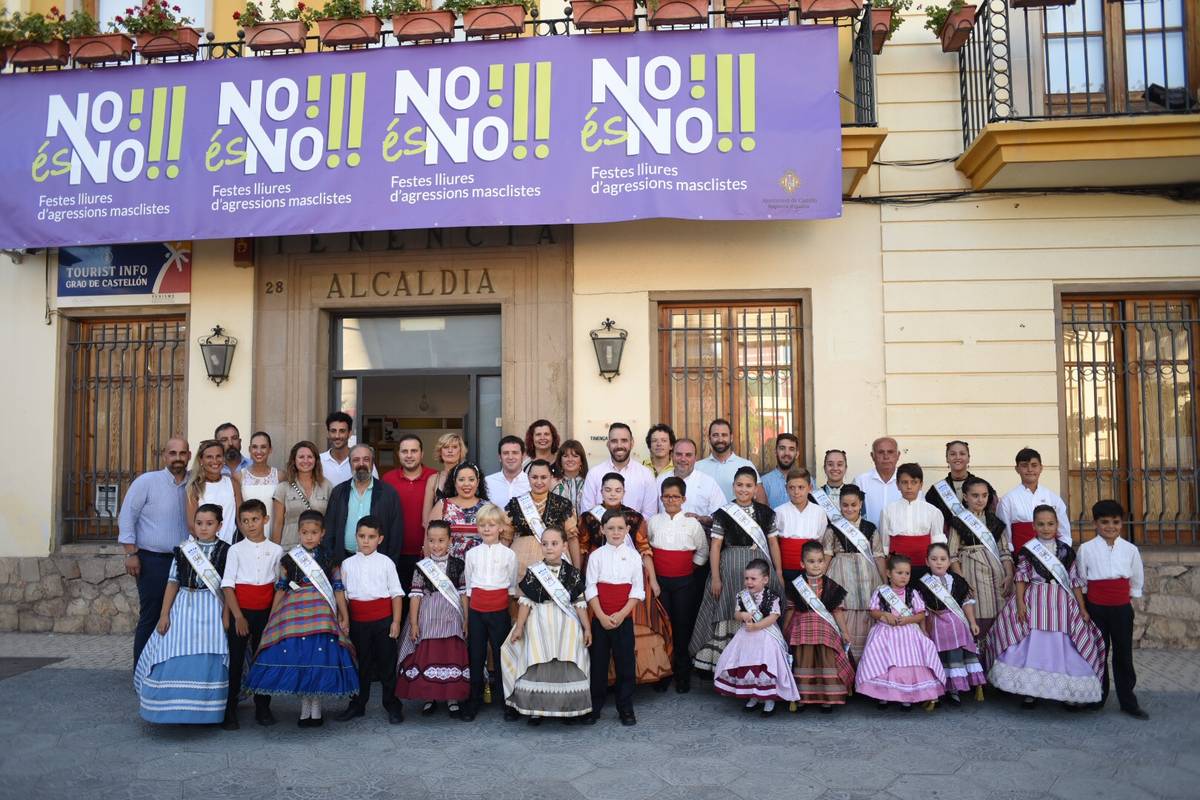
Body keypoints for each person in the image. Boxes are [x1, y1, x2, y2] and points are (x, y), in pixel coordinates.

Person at [244, 510, 359, 727]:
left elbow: (337, 588)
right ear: (298, 533)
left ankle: (315, 708)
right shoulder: (289, 558)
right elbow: (281, 588)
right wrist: (272, 616)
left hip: (321, 613)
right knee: (301, 657)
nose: (309, 537)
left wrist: (344, 615)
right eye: (304, 532)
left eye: (314, 532)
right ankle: (304, 708)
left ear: (322, 533)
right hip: (293, 612)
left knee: (317, 657)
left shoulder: (329, 557)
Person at [985, 505, 1104, 710]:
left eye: (1050, 524)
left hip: (1060, 603)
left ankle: (1066, 690)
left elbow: (1074, 581)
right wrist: (1021, 603)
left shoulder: (1066, 551)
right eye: (1041, 524)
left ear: (1057, 525)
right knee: (1030, 641)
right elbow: (1021, 578)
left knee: (1063, 643)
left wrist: (1082, 607)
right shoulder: (1028, 549)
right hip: (1035, 599)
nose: (1046, 528)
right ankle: (1029, 692)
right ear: (1034, 526)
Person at [133, 503, 231, 724]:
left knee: (209, 653)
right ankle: (171, 708)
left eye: (209, 524)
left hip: (212, 605)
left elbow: (227, 586)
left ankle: (207, 710)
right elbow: (172, 583)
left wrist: (226, 613)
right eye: (199, 523)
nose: (203, 528)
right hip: (185, 604)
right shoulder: (183, 550)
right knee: (175, 649)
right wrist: (164, 614)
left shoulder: (227, 550)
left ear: (219, 525)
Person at [578, 473, 674, 687]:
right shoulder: (588, 517)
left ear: (624, 492)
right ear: (600, 491)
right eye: (608, 490)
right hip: (598, 574)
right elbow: (582, 548)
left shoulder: (634, 517)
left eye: (617, 490)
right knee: (599, 629)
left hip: (631, 575)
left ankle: (637, 677)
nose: (612, 493)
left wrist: (654, 581)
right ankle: (603, 681)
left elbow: (643, 549)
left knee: (637, 622)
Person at [691, 466, 781, 672]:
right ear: (733, 487)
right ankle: (725, 664)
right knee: (728, 608)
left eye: (748, 485)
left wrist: (780, 572)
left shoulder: (766, 513)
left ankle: (757, 661)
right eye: (739, 485)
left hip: (760, 569)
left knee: (761, 607)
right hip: (729, 569)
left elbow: (773, 544)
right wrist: (715, 577)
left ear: (755, 489)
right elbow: (715, 545)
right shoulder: (723, 514)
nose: (743, 489)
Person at [501, 526, 592, 724]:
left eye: (554, 543)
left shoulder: (573, 573)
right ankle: (535, 709)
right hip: (539, 622)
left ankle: (569, 708)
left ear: (565, 546)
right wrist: (519, 627)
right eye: (545, 544)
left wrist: (587, 628)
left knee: (567, 661)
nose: (549, 548)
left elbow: (579, 602)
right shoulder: (535, 572)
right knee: (538, 661)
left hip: (566, 624)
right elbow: (526, 602)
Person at [119, 437, 191, 665]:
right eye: (173, 453)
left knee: (179, 618)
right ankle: (141, 670)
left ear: (189, 456)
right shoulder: (146, 482)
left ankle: (166, 671)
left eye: (182, 453)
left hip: (185, 561)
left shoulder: (194, 483)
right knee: (151, 616)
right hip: (153, 561)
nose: (177, 458)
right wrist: (131, 553)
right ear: (164, 456)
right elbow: (127, 516)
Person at [1077, 500, 1148, 719]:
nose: (1111, 526)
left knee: (1123, 654)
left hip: (1121, 609)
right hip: (1096, 608)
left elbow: (1136, 577)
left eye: (1116, 522)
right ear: (1095, 524)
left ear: (1122, 523)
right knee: (1099, 653)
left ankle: (1128, 700)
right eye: (1105, 522)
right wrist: (1086, 607)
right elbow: (1081, 579)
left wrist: (1131, 601)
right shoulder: (1086, 549)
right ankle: (1097, 696)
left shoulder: (1130, 550)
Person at [395, 521, 470, 718]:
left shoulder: (458, 565)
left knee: (450, 653)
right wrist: (413, 623)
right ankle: (430, 697)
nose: (436, 545)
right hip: (428, 615)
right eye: (431, 541)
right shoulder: (422, 567)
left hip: (451, 615)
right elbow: (415, 595)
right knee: (430, 653)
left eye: (441, 541)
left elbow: (463, 594)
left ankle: (452, 697)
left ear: (450, 541)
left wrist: (466, 619)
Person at [336, 515, 405, 725]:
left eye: (371, 537)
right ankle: (358, 704)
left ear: (380, 539)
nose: (366, 541)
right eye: (362, 536)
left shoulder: (386, 563)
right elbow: (343, 597)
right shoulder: (347, 564)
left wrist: (396, 622)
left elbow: (396, 594)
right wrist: (344, 620)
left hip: (383, 621)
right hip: (358, 622)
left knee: (387, 664)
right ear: (355, 537)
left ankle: (392, 704)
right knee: (361, 665)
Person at [220, 499, 282, 730]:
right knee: (236, 661)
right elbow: (228, 585)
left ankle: (263, 707)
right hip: (241, 613)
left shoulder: (276, 550)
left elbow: (279, 586)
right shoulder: (234, 550)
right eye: (245, 521)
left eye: (255, 519)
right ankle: (230, 709)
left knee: (263, 660)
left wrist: (272, 618)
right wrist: (238, 617)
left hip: (266, 614)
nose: (250, 525)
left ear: (265, 519)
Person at [855, 554, 946, 709]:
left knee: (910, 660)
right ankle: (883, 695)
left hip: (908, 631)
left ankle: (907, 695)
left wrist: (908, 620)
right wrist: (885, 615)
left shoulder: (913, 593)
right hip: (886, 631)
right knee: (883, 660)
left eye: (907, 573)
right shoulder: (881, 591)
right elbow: (873, 611)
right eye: (899, 573)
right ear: (889, 573)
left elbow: (920, 614)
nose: (904, 577)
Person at [646, 477, 709, 693]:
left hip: (684, 583)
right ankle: (663, 672)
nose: (671, 500)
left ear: (683, 499)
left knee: (682, 626)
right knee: (663, 626)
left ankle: (683, 674)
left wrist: (689, 568)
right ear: (661, 498)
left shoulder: (692, 524)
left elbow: (702, 551)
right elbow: (649, 549)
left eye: (675, 496)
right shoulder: (654, 521)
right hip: (660, 583)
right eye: (666, 496)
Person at [714, 559, 799, 716]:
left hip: (767, 636)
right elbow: (736, 614)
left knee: (765, 667)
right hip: (747, 637)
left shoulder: (772, 597)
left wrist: (757, 626)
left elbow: (773, 617)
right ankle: (753, 696)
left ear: (765, 579)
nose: (749, 582)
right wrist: (743, 615)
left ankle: (768, 700)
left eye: (753, 579)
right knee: (748, 665)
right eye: (746, 578)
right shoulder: (742, 596)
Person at [584, 509, 644, 726]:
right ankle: (594, 706)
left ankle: (625, 707)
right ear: (602, 530)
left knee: (625, 664)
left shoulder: (634, 556)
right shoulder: (596, 556)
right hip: (600, 620)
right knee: (598, 664)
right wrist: (600, 616)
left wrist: (621, 614)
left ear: (627, 530)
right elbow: (590, 588)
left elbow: (638, 590)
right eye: (610, 528)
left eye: (620, 528)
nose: (615, 532)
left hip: (623, 619)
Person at [461, 503, 518, 722]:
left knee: (501, 654)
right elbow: (469, 587)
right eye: (482, 525)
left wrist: (510, 612)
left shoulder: (509, 555)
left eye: (492, 525)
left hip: (499, 610)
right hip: (477, 610)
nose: (487, 529)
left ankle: (507, 701)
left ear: (501, 528)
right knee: (476, 655)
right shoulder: (472, 554)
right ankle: (473, 700)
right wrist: (467, 617)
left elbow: (511, 585)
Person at [781, 542, 854, 711]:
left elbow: (837, 611)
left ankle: (827, 697)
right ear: (802, 564)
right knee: (803, 661)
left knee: (826, 660)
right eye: (811, 561)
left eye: (820, 561)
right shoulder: (795, 585)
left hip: (825, 630)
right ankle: (803, 697)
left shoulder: (832, 586)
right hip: (802, 629)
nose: (816, 565)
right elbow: (790, 610)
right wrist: (785, 631)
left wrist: (844, 632)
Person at [916, 543, 985, 706]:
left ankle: (954, 689)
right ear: (927, 562)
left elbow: (966, 602)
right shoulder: (922, 584)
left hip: (957, 625)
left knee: (955, 655)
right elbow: (920, 608)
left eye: (943, 559)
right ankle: (938, 687)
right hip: (936, 625)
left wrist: (972, 622)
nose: (938, 562)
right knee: (939, 656)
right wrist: (923, 629)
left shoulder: (958, 581)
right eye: (934, 559)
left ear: (949, 562)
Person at [945, 476, 1011, 639]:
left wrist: (1009, 574)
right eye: (975, 495)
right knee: (976, 614)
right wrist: (961, 582)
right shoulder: (958, 522)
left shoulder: (996, 522)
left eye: (984, 495)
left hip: (997, 576)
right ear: (965, 497)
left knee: (998, 616)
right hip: (971, 574)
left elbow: (1004, 551)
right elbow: (952, 555)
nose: (980, 499)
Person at [820, 484, 879, 660]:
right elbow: (827, 556)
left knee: (867, 611)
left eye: (854, 504)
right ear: (839, 505)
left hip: (867, 575)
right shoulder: (832, 528)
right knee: (842, 609)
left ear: (860, 504)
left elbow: (879, 556)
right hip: (841, 574)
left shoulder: (870, 528)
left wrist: (883, 581)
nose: (849, 508)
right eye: (845, 505)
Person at [323, 444, 404, 565]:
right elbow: (329, 530)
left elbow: (396, 534)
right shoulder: (338, 492)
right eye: (356, 460)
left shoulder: (389, 493)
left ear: (372, 463)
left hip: (378, 563)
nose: (361, 464)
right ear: (350, 464)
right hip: (344, 561)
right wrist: (332, 563)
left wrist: (390, 564)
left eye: (366, 459)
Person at [382, 434, 438, 594]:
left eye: (414, 451)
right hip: (395, 555)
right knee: (400, 601)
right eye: (404, 451)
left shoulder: (434, 477)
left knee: (425, 602)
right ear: (398, 454)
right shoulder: (388, 479)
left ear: (422, 454)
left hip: (428, 553)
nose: (409, 455)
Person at [874, 463, 945, 581]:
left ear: (921, 485)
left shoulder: (933, 511)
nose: (909, 486)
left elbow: (938, 543)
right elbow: (884, 544)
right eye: (904, 482)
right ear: (897, 485)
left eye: (914, 482)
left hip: (925, 566)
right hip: (897, 568)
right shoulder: (888, 510)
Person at [506, 459, 580, 572]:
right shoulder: (515, 504)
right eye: (534, 477)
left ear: (551, 477)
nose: (539, 482)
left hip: (555, 568)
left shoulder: (563, 504)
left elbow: (572, 539)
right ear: (528, 478)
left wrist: (577, 570)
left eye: (544, 477)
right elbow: (505, 538)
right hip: (520, 567)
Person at [996, 447, 1071, 553]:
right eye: (1024, 466)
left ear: (1041, 468)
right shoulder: (1007, 500)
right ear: (1017, 469)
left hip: (1052, 558)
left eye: (1034, 465)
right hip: (1021, 559)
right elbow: (1005, 536)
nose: (1030, 469)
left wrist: (1062, 555)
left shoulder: (1053, 498)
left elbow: (1064, 533)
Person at [581, 422, 659, 520]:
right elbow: (588, 512)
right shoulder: (594, 474)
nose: (619, 445)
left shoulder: (646, 475)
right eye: (614, 441)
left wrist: (627, 530)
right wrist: (610, 529)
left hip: (635, 534)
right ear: (608, 444)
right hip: (600, 533)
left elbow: (650, 514)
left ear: (632, 443)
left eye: (624, 440)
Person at [770, 467, 828, 586]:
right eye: (792, 488)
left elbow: (821, 539)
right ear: (786, 488)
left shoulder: (819, 512)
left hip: (811, 569)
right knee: (789, 603)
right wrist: (779, 572)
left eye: (801, 487)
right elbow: (774, 543)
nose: (796, 492)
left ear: (810, 488)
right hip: (786, 569)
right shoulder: (779, 512)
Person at [272, 441, 333, 549]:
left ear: (316, 460)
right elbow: (278, 523)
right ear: (294, 460)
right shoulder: (283, 488)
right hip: (290, 549)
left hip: (318, 551)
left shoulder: (327, 486)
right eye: (301, 457)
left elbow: (331, 522)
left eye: (310, 457)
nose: (306, 461)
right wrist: (275, 552)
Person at [659, 438, 726, 527]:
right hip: (665, 537)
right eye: (679, 454)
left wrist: (701, 519)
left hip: (698, 538)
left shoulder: (708, 483)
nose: (683, 459)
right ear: (671, 455)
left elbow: (722, 517)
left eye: (688, 455)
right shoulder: (660, 480)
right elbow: (652, 514)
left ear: (695, 458)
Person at [925, 440, 997, 522]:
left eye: (962, 454)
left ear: (968, 458)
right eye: (953, 454)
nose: (957, 457)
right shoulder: (936, 491)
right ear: (947, 459)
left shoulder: (983, 486)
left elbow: (993, 515)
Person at [186, 439, 242, 545]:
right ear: (201, 460)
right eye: (209, 457)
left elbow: (240, 518)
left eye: (218, 456)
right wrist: (212, 547)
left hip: (228, 547)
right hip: (202, 549)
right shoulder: (194, 487)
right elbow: (192, 526)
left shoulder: (233, 483)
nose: (215, 461)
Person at [431, 462, 490, 560]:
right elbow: (430, 539)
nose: (466, 484)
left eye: (471, 480)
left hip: (480, 568)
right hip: (447, 568)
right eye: (461, 480)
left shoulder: (488, 507)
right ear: (454, 482)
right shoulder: (442, 505)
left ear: (478, 482)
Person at [695, 418, 756, 502]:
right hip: (706, 515)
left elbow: (760, 499)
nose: (720, 439)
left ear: (731, 438)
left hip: (737, 515)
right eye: (715, 435)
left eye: (724, 435)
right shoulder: (697, 467)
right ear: (709, 438)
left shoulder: (746, 465)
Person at [239, 431, 280, 543]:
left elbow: (281, 514)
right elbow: (239, 510)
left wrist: (275, 544)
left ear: (270, 450)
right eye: (255, 447)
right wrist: (248, 540)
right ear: (249, 449)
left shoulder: (280, 476)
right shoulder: (240, 476)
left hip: (273, 535)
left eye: (263, 447)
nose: (258, 451)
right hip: (248, 537)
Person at [853, 437, 901, 528]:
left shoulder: (908, 482)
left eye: (890, 452)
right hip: (869, 539)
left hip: (899, 540)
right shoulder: (860, 481)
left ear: (898, 455)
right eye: (881, 452)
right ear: (872, 456)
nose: (886, 457)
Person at [321, 411, 376, 487]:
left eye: (342, 431)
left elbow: (375, 488)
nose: (337, 436)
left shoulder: (362, 461)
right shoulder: (319, 461)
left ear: (349, 433)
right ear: (328, 433)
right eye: (333, 431)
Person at [424, 433, 468, 526]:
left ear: (461, 451)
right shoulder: (433, 480)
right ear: (440, 451)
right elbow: (426, 520)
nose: (450, 450)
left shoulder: (469, 477)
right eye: (446, 447)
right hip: (439, 536)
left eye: (454, 447)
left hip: (465, 534)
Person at [485, 435, 531, 508]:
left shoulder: (531, 482)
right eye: (506, 453)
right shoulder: (487, 482)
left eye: (515, 453)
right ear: (500, 457)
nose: (510, 457)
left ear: (523, 456)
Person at [755, 433, 799, 509]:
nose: (786, 453)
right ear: (775, 452)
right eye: (782, 448)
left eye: (791, 449)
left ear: (797, 454)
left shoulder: (808, 481)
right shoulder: (764, 482)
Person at [551, 439, 589, 514]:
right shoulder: (552, 482)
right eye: (565, 456)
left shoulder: (589, 483)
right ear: (560, 461)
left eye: (575, 456)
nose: (570, 460)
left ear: (581, 461)